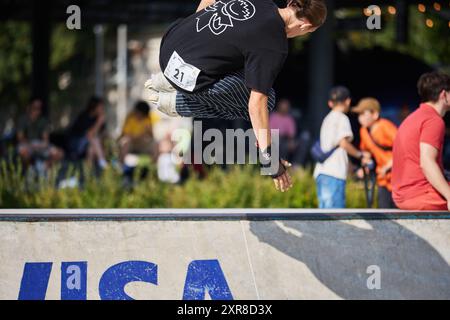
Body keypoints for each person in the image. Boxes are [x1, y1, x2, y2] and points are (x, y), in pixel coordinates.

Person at [145, 0, 328, 192]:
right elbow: (257, 104)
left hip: (170, 46)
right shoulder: (274, 44)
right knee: (267, 99)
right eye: (307, 32)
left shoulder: (262, 3)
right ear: (306, 25)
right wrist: (270, 159)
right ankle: (179, 102)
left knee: (245, 63)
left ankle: (171, 80)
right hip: (189, 76)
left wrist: (198, 36)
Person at [392, 71, 450, 211]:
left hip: (401, 195)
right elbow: (427, 162)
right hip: (420, 195)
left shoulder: (413, 118)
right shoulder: (434, 120)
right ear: (444, 95)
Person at [313, 86, 370, 209]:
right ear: (348, 101)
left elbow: (338, 149)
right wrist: (361, 155)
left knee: (324, 218)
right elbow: (343, 143)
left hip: (321, 172)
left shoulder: (327, 119)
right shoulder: (342, 118)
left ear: (330, 103)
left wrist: (353, 168)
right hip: (334, 174)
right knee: (336, 219)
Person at [352, 98, 398, 208]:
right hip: (382, 179)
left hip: (397, 179)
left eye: (363, 113)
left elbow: (404, 148)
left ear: (375, 114)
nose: (360, 118)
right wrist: (365, 166)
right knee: (384, 213)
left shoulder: (385, 126)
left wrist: (388, 166)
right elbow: (366, 151)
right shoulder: (364, 131)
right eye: (359, 114)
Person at [16, 99, 63, 169]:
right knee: (24, 153)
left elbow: (45, 139)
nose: (36, 111)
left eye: (39, 108)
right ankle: (28, 170)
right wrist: (31, 145)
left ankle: (44, 168)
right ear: (30, 107)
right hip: (26, 144)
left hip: (39, 144)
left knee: (59, 153)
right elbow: (20, 138)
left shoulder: (43, 121)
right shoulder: (23, 119)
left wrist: (41, 145)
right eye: (34, 108)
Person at [68, 96, 107, 169]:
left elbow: (103, 135)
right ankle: (102, 162)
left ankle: (88, 175)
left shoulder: (98, 118)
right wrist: (99, 122)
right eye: (100, 107)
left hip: (89, 145)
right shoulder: (84, 117)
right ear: (94, 107)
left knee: (91, 149)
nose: (102, 109)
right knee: (93, 139)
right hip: (76, 146)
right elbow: (89, 135)